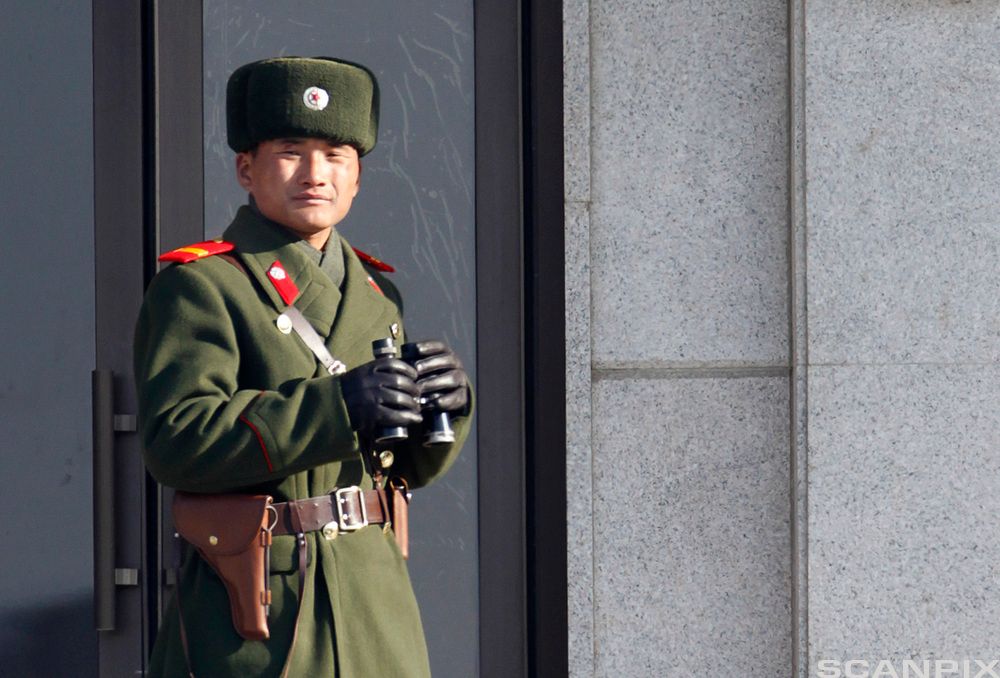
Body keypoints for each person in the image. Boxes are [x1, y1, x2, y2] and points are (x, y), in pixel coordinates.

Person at [133, 56, 472, 677]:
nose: (316, 174)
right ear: (246, 168)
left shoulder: (376, 294)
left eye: (336, 156)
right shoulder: (203, 286)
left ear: (358, 176)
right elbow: (177, 440)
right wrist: (338, 407)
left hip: (373, 598)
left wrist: (440, 412)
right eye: (291, 152)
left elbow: (402, 471)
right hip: (265, 605)